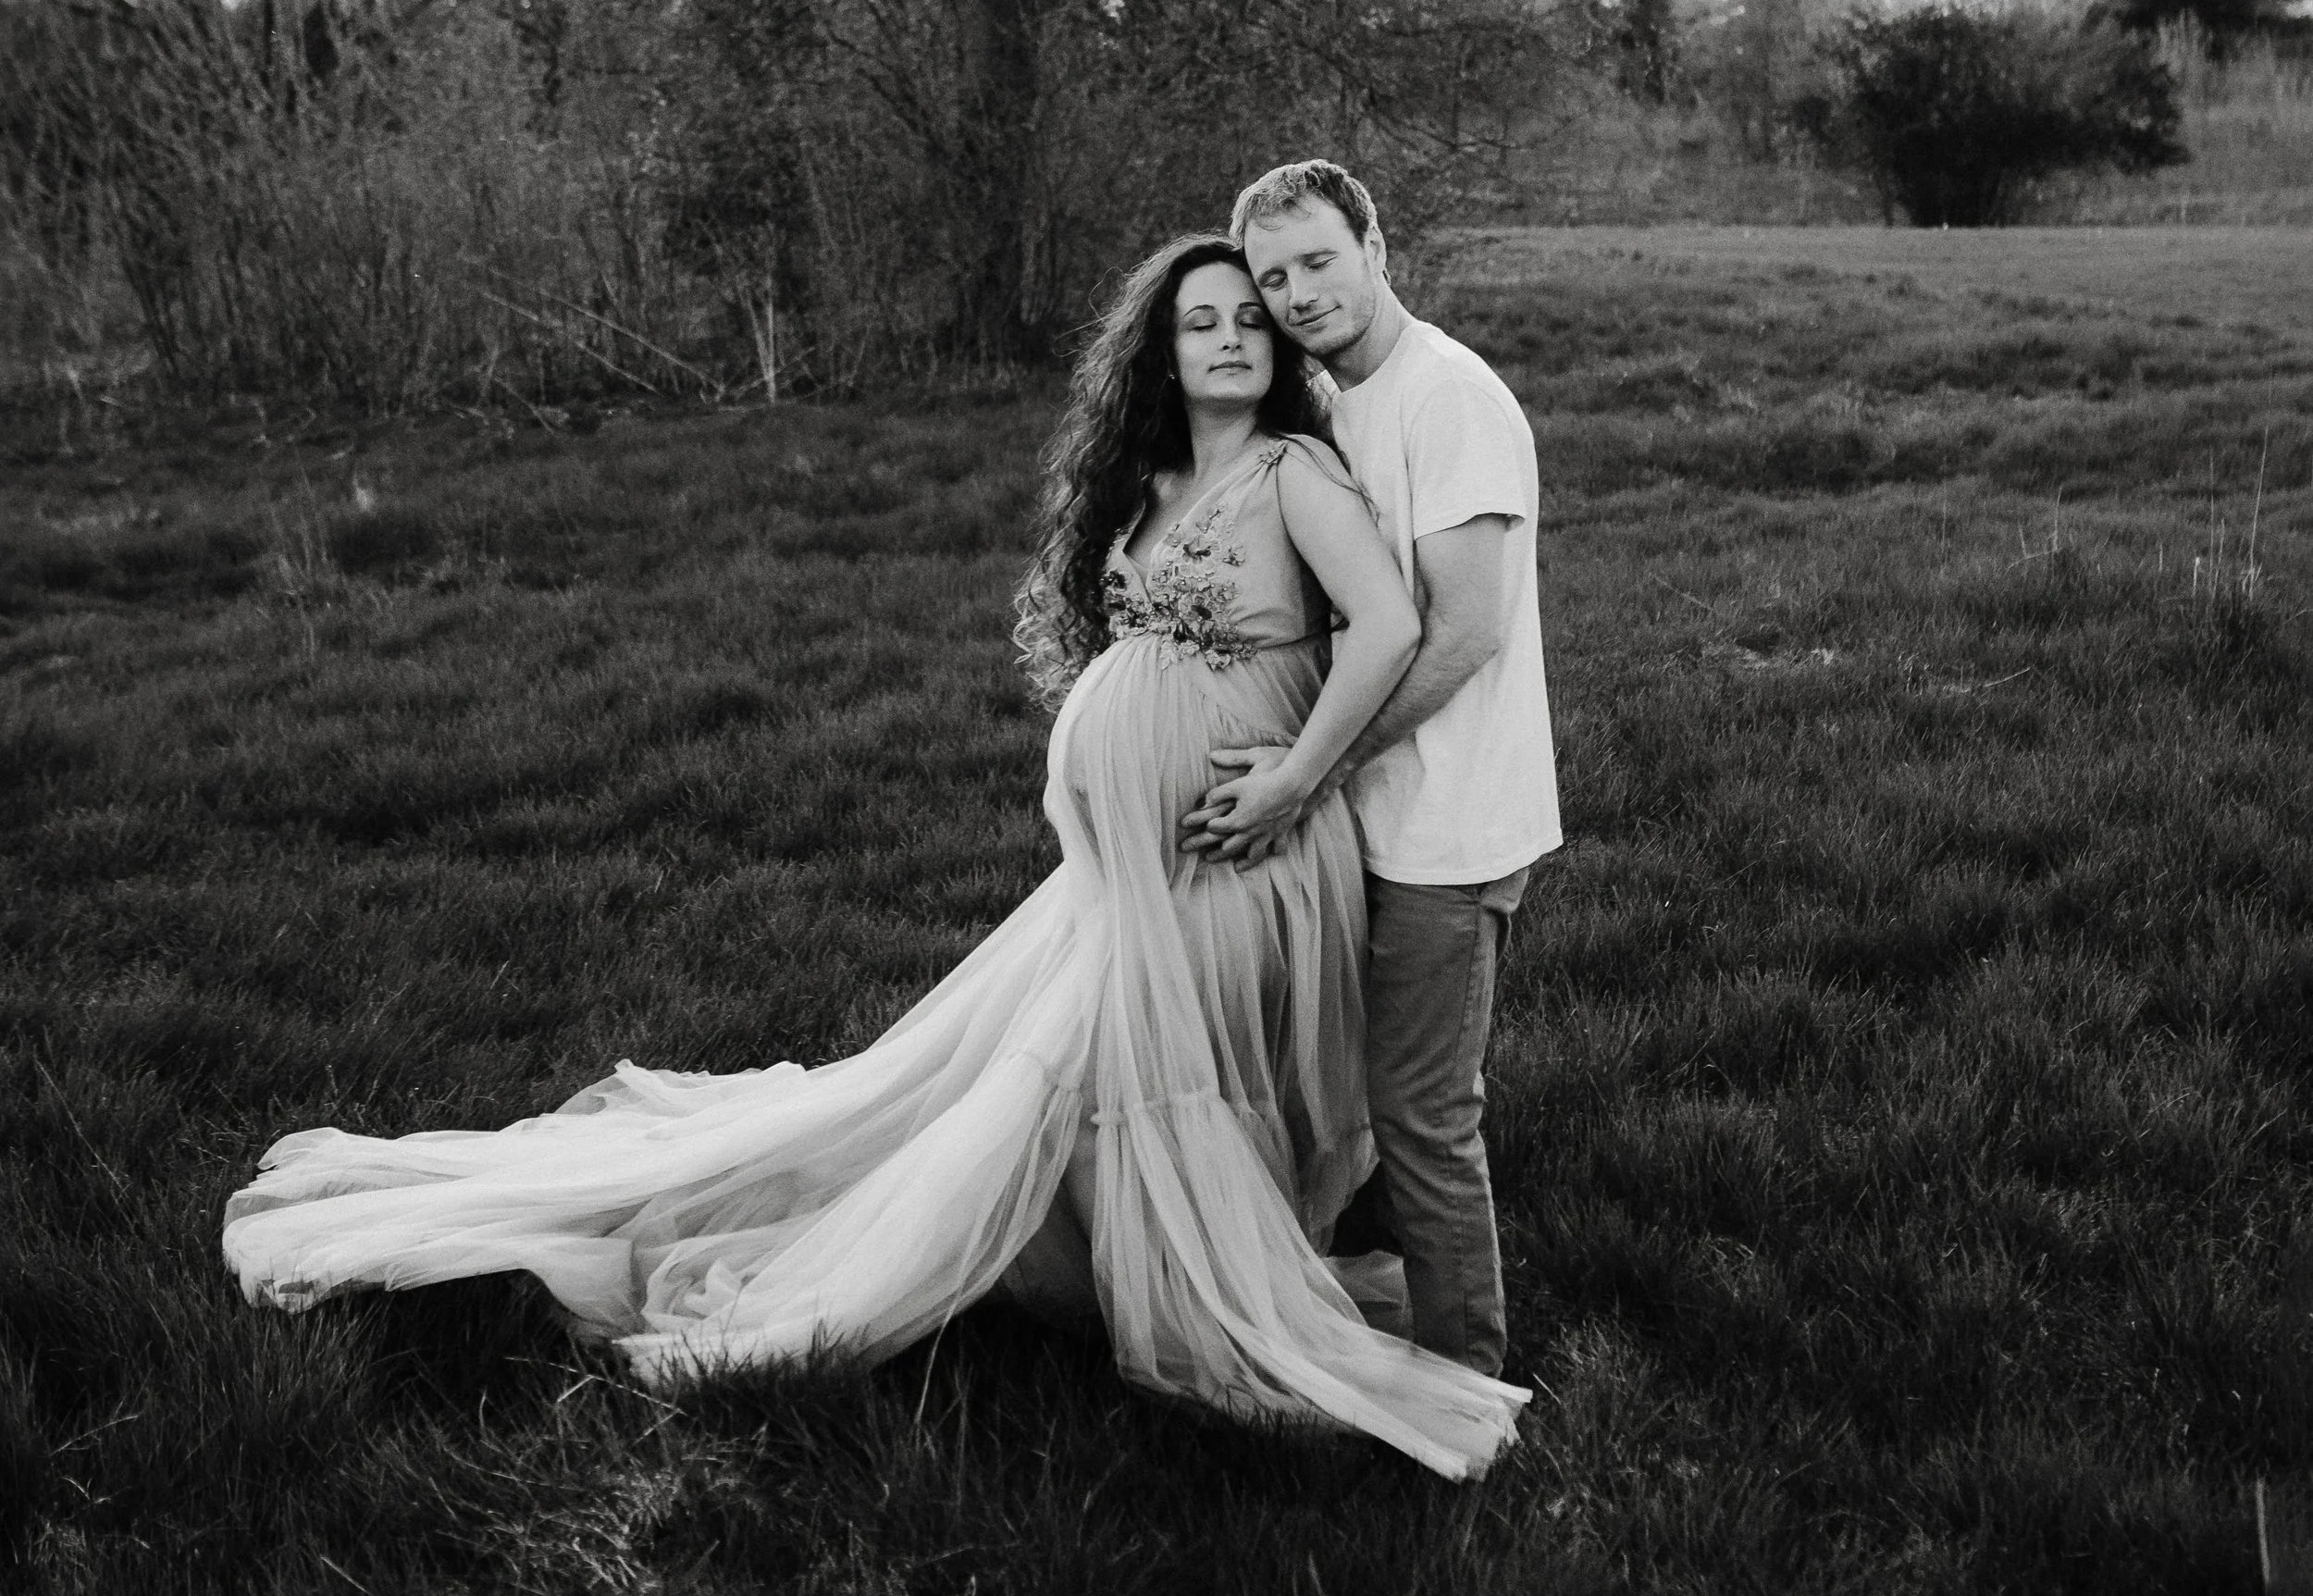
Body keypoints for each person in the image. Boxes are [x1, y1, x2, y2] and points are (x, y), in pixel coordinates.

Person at [222, 236, 1528, 1482]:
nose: (1235, 335)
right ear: (1163, 356)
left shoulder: (1299, 470)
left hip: (1245, 840)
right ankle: (1136, 1271)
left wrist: (1296, 772)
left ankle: (1211, 1297)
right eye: (1204, 322)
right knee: (1074, 1067)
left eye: (1253, 318)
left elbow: (1387, 622)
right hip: (1135, 865)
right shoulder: (1158, 483)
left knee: (1151, 1068)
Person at [1188, 161, 1559, 1381]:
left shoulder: (1448, 398)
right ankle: (1330, 1309)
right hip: (1372, 818)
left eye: (1318, 262)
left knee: (1423, 1113)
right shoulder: (1344, 403)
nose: (1297, 294)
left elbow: (1463, 633)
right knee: (1351, 1095)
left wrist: (1310, 771)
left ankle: (1464, 1382)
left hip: (1446, 831)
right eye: (1274, 276)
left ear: (1375, 246)